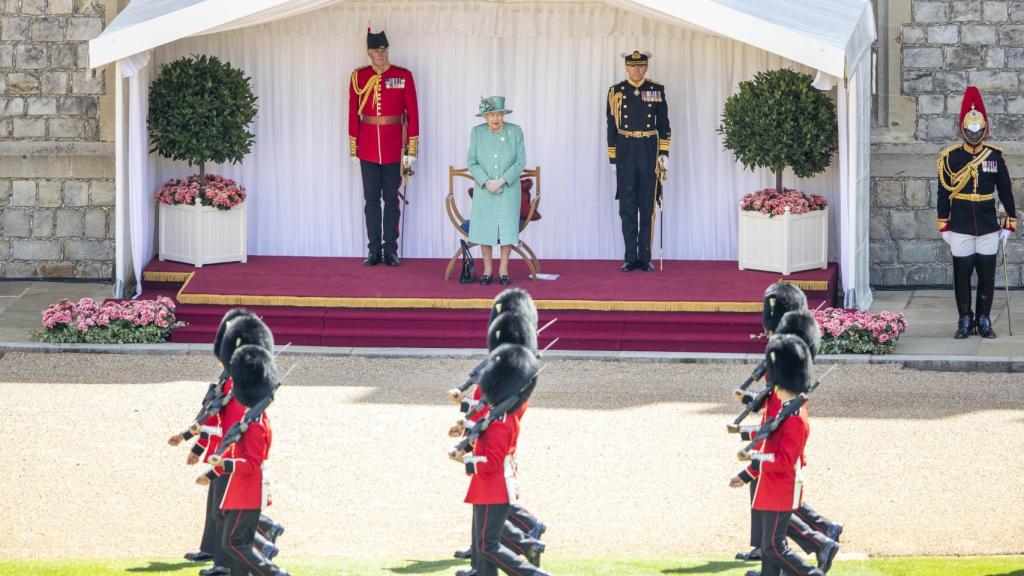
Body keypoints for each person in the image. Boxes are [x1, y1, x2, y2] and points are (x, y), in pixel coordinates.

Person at [937, 86, 1016, 339]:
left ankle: (983, 318)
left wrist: (1009, 223)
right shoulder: (950, 158)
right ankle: (964, 318)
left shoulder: (994, 157)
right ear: (961, 130)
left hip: (987, 225)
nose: (974, 134)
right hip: (959, 224)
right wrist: (944, 225)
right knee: (961, 276)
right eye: (969, 130)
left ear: (985, 129)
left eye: (978, 130)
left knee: (986, 276)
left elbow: (1005, 191)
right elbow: (943, 194)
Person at [748, 334, 825, 576]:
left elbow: (783, 459)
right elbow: (770, 437)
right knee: (771, 545)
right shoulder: (785, 410)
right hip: (773, 484)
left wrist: (755, 460)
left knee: (773, 545)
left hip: (781, 483)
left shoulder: (793, 417)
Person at [349, 28, 419, 267]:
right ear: (369, 53)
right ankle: (373, 251)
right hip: (368, 148)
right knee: (370, 200)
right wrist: (353, 147)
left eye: (383, 50)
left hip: (394, 150)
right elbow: (352, 113)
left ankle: (390, 250)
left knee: (391, 200)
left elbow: (413, 115)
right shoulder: (359, 77)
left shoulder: (403, 76)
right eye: (375, 50)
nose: (380, 54)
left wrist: (411, 151)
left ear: (387, 50)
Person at [606, 50, 670, 272]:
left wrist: (664, 154)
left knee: (647, 205)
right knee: (627, 205)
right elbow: (611, 127)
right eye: (632, 66)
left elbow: (664, 125)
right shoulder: (616, 91)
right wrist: (612, 159)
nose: (636, 70)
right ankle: (629, 256)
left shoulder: (655, 90)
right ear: (626, 67)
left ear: (646, 67)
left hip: (648, 149)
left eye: (641, 66)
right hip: (625, 148)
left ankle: (645, 256)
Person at [467, 96, 527, 286]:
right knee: (485, 228)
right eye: (491, 115)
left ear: (503, 115)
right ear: (485, 117)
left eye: (498, 114)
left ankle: (503, 269)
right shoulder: (477, 133)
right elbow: (472, 162)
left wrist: (502, 180)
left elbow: (520, 162)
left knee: (507, 228)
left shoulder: (515, 132)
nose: (495, 119)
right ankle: (487, 269)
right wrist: (486, 182)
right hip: (484, 190)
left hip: (508, 190)